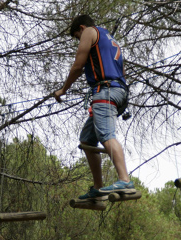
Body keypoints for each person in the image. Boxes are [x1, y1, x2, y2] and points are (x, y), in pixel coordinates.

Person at [54, 15, 136, 199]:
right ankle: (98, 189)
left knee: (106, 135)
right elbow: (121, 71)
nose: (78, 40)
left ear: (82, 27)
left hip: (105, 91)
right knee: (87, 140)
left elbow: (78, 65)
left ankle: (124, 180)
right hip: (119, 91)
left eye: (77, 36)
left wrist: (63, 89)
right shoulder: (109, 37)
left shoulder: (90, 31)